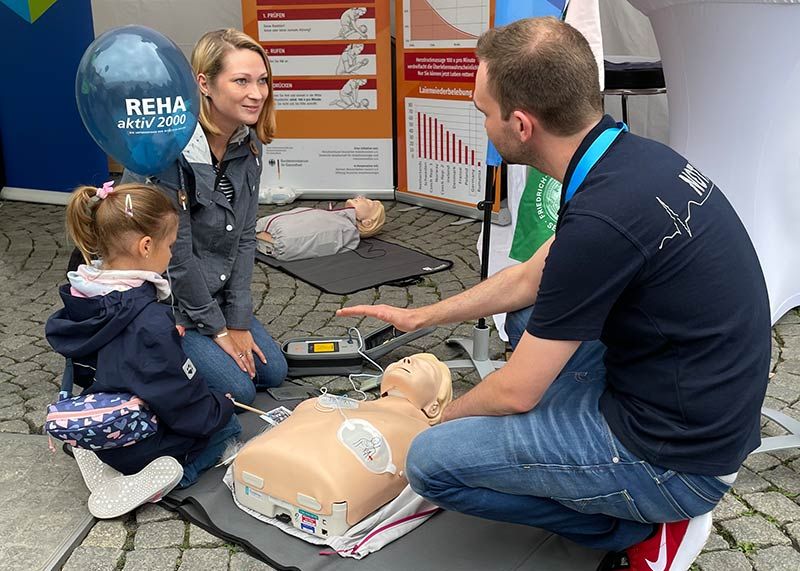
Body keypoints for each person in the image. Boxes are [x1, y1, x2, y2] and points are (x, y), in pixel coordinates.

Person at [337, 17, 771, 571]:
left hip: (677, 459)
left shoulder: (602, 216)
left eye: (482, 111)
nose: (482, 123)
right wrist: (419, 316)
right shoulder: (625, 158)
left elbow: (515, 392)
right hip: (684, 393)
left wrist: (435, 422)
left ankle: (631, 527)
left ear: (520, 125)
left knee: (432, 462)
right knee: (523, 321)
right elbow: (528, 279)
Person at [46, 182, 242, 519]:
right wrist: (219, 407)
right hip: (142, 441)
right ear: (146, 246)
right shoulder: (148, 321)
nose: (171, 253)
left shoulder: (84, 291)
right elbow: (179, 399)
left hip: (107, 423)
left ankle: (100, 455)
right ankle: (159, 479)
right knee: (228, 428)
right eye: (169, 245)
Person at [122, 29, 288, 405]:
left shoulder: (248, 142)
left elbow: (245, 237)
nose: (257, 93)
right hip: (163, 301)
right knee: (242, 388)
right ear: (205, 84)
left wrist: (239, 320)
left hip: (210, 290)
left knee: (273, 371)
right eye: (241, 81)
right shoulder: (169, 148)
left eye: (262, 80)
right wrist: (218, 330)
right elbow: (176, 256)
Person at [232, 353, 452, 536]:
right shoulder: (333, 404)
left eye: (423, 367)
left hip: (319, 483)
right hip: (276, 464)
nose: (406, 361)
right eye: (403, 359)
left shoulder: (417, 433)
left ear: (434, 406)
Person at [255, 196, 385, 261]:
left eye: (369, 203)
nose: (363, 197)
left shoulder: (346, 230)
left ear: (367, 223)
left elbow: (317, 241)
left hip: (278, 238)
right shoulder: (339, 219)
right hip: (273, 232)